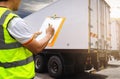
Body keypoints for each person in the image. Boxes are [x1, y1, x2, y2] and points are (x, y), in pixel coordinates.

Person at [0, 0, 54, 79]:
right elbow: (37, 48)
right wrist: (49, 34)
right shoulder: (12, 20)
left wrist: (29, 37)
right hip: (18, 75)